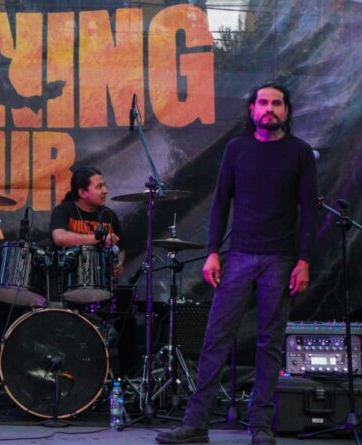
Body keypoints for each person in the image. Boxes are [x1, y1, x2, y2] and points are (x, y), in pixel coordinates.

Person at [156, 82, 317, 445]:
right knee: (216, 338)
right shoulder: (236, 149)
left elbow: (309, 211)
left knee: (269, 343)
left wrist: (304, 260)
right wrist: (213, 251)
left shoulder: (300, 153)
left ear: (286, 111)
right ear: (252, 109)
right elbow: (220, 203)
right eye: (263, 103)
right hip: (240, 256)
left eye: (277, 103)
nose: (269, 109)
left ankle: (261, 425)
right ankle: (196, 424)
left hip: (280, 259)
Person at [49, 166, 125, 278]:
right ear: (82, 192)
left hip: (101, 280)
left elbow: (121, 249)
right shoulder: (63, 211)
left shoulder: (109, 215)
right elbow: (60, 238)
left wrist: (119, 263)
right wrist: (100, 238)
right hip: (67, 280)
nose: (105, 191)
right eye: (99, 187)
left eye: (104, 185)